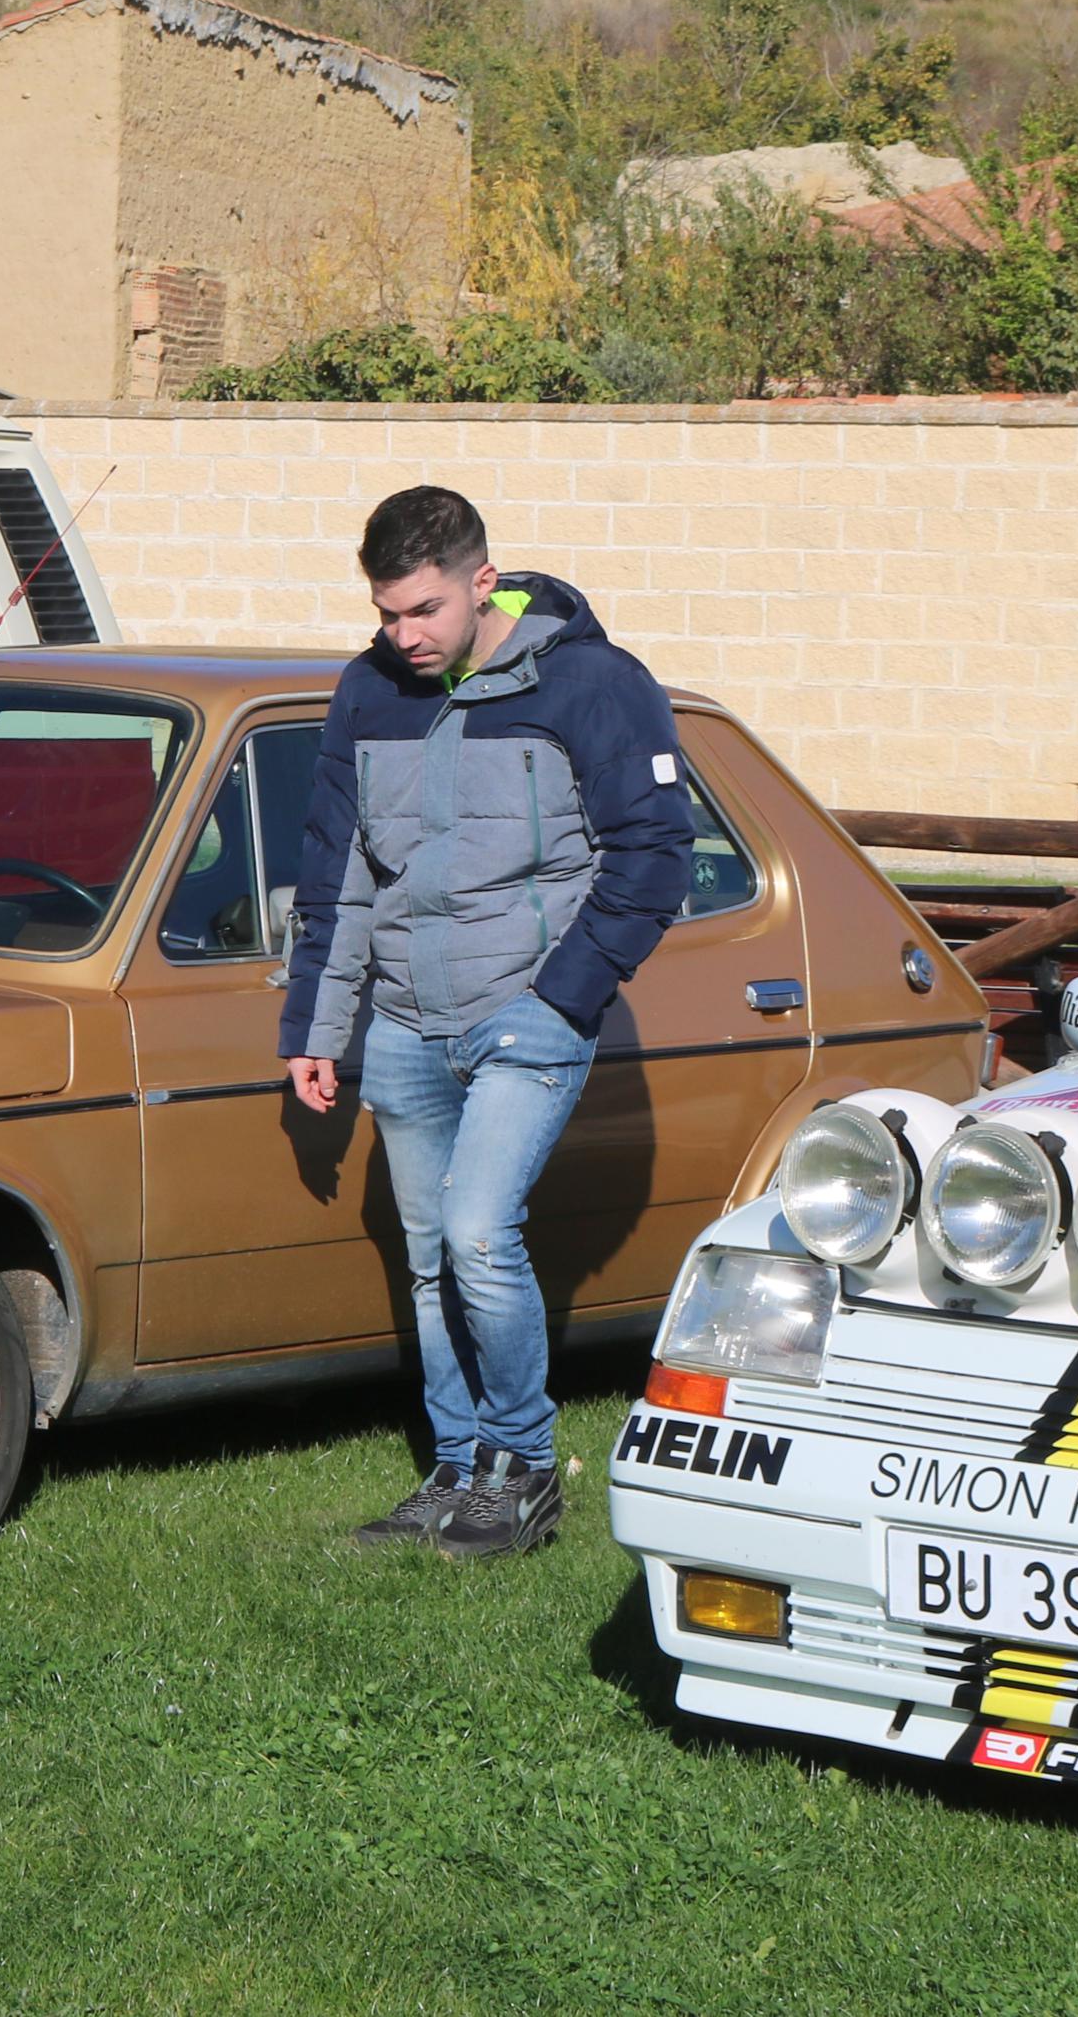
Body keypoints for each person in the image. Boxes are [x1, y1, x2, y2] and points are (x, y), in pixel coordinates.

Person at [283, 486, 690, 1559]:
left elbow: (652, 860)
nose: (401, 636)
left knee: (475, 1233)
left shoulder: (594, 683)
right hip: (407, 1026)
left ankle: (520, 1467)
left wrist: (560, 996)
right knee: (427, 1255)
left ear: (479, 582)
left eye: (421, 610)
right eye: (383, 613)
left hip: (528, 1016)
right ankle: (455, 1470)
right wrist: (317, 1027)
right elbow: (338, 878)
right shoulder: (367, 696)